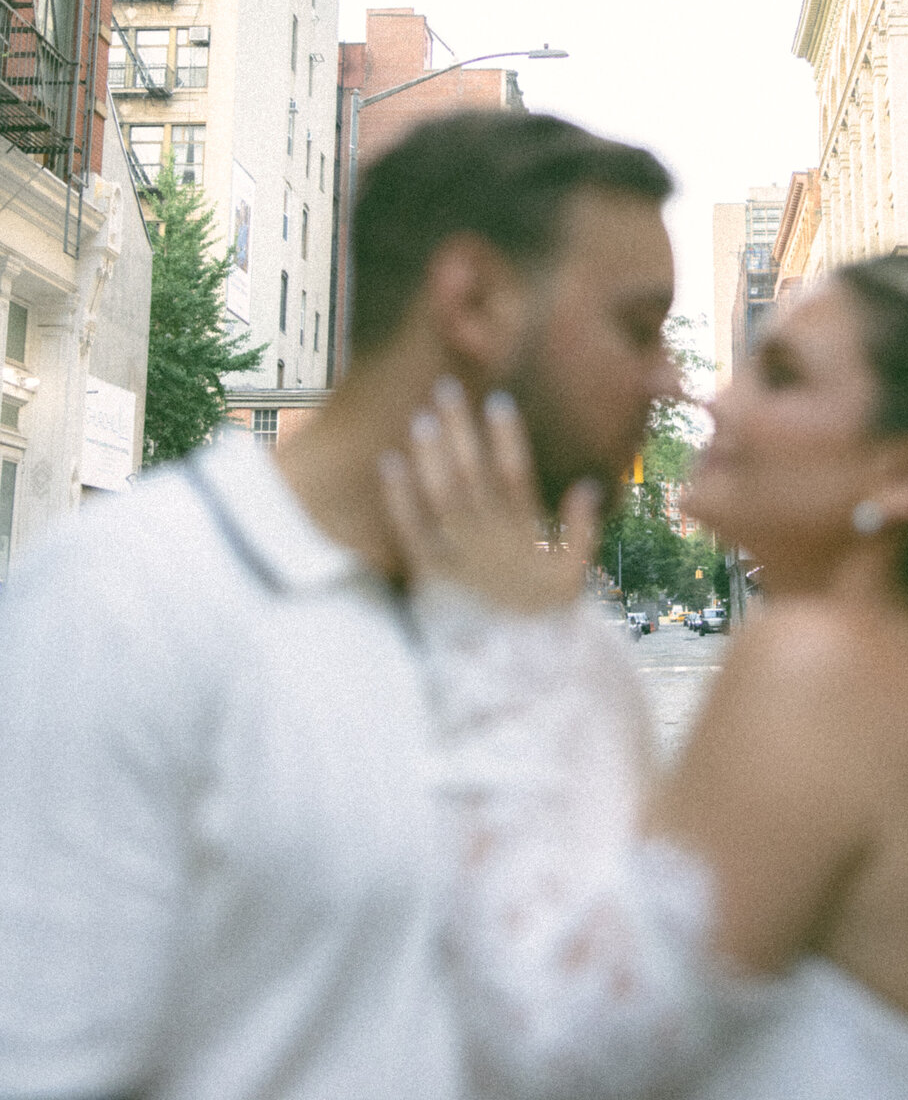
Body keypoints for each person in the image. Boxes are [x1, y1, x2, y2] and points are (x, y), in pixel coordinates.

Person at [386, 254, 908, 1100]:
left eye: (781, 376)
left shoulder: (819, 666)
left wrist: (496, 643)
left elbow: (551, 1051)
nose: (716, 401)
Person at [0, 110, 687, 1100]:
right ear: (476, 300)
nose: (666, 380)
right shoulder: (123, 604)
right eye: (638, 325)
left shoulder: (567, 658)